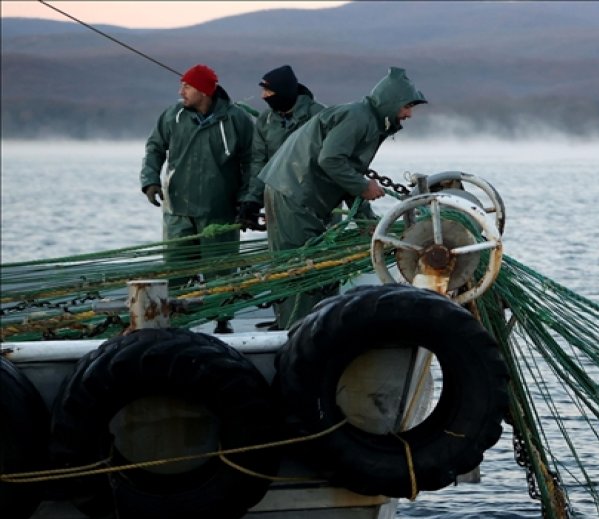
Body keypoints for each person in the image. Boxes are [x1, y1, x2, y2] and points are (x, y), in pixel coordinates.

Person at [258, 66, 428, 328]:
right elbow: (331, 160)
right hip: (293, 192)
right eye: (406, 106)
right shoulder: (358, 118)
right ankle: (297, 331)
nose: (409, 114)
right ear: (391, 102)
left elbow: (348, 168)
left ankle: (316, 325)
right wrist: (363, 187)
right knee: (301, 268)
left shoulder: (370, 122)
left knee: (317, 266)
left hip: (301, 194)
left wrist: (366, 222)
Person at [140, 64, 255, 278]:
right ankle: (179, 312)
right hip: (178, 213)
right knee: (176, 275)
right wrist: (150, 180)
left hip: (220, 213)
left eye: (186, 87)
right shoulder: (173, 116)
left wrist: (248, 200)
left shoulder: (236, 119)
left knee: (220, 277)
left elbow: (252, 161)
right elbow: (154, 147)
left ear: (203, 91)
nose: (180, 92)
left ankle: (219, 312)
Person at [238, 65, 325, 231]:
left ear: (283, 91)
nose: (263, 96)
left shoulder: (319, 116)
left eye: (268, 91)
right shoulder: (266, 120)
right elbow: (259, 162)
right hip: (278, 203)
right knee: (283, 253)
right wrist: (252, 201)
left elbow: (335, 160)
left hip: (316, 204)